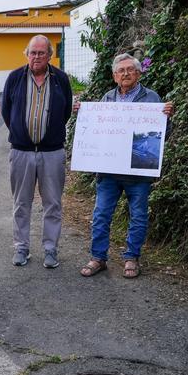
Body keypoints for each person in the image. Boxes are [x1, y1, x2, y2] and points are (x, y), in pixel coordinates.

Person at [79, 53, 174, 279]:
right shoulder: (107, 99)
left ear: (138, 73)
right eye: (120, 71)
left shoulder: (152, 99)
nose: (125, 74)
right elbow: (95, 131)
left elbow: (162, 136)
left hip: (138, 171)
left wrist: (166, 119)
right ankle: (98, 257)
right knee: (101, 214)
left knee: (138, 215)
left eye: (130, 69)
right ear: (114, 76)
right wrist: (82, 115)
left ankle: (132, 257)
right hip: (109, 171)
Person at [1, 35, 73, 269]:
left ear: (50, 55)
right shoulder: (14, 78)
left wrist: (48, 136)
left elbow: (66, 112)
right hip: (21, 152)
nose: (36, 57)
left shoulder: (61, 79)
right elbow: (6, 112)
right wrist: (22, 134)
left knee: (52, 203)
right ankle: (21, 248)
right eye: (33, 52)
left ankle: (51, 249)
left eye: (41, 53)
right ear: (27, 54)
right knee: (21, 203)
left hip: (52, 153)